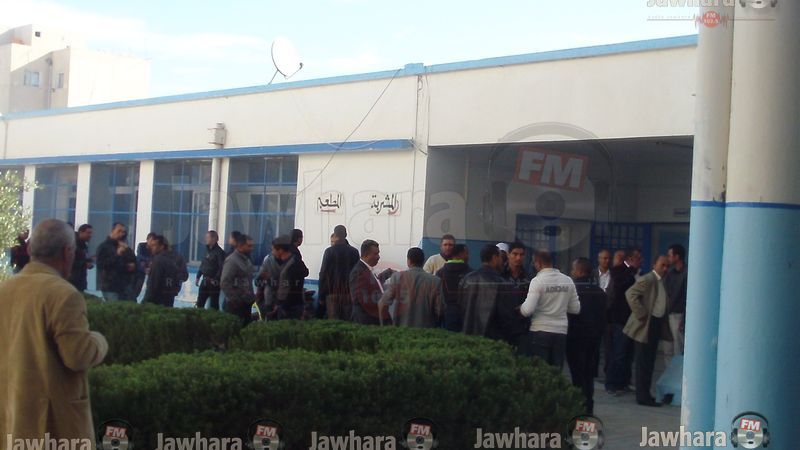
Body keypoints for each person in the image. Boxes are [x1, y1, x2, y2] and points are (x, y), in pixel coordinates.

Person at [0, 219, 108, 442]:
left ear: (30, 249)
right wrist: (99, 341)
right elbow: (78, 355)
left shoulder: (5, 289)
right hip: (50, 423)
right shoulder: (63, 294)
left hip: (10, 413)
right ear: (67, 252)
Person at [624, 255, 672, 407]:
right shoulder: (649, 279)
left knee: (649, 361)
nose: (665, 268)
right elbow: (631, 294)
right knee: (643, 362)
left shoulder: (661, 281)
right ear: (654, 265)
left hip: (655, 324)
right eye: (662, 265)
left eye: (667, 266)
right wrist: (641, 313)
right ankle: (642, 396)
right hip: (646, 324)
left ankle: (645, 393)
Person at [520, 250, 581, 369]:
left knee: (540, 372)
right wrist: (561, 305)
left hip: (539, 331)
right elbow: (575, 309)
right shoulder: (568, 280)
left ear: (538, 263)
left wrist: (520, 309)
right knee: (556, 372)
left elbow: (527, 310)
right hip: (560, 332)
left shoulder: (537, 281)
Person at [567, 257, 607, 415]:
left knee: (577, 374)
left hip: (575, 338)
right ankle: (588, 406)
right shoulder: (600, 292)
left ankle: (577, 406)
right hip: (593, 339)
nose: (571, 272)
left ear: (579, 271)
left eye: (573, 269)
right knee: (589, 374)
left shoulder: (572, 289)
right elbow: (603, 317)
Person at [604, 247, 642, 395]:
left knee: (628, 353)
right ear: (630, 259)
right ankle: (613, 383)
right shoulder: (619, 271)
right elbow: (620, 288)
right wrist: (630, 270)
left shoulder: (638, 273)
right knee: (618, 352)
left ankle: (624, 381)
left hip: (631, 318)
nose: (640, 261)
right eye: (638, 258)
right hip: (619, 317)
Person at [378, 247, 444, 328]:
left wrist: (385, 325)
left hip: (401, 330)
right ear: (423, 261)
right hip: (426, 331)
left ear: (408, 261)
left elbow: (382, 304)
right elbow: (440, 309)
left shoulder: (398, 277)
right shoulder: (436, 281)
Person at [459, 244, 507, 340]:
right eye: (500, 257)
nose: (502, 260)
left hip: (468, 333)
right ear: (494, 258)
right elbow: (504, 314)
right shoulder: (500, 282)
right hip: (491, 336)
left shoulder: (467, 278)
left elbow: (460, 305)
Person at [257, 235, 309, 320]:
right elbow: (258, 281)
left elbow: (304, 274)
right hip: (271, 300)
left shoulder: (294, 262)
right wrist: (263, 279)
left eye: (273, 249)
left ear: (280, 250)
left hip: (289, 303)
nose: (272, 252)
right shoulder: (269, 261)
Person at [318, 225, 360, 320]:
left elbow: (323, 274)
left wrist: (321, 295)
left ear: (335, 235)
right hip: (348, 293)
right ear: (346, 235)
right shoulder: (354, 252)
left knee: (334, 321)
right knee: (348, 321)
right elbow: (357, 275)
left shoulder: (329, 251)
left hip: (332, 293)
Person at [500, 242, 533, 353]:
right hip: (502, 326)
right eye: (515, 254)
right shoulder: (499, 275)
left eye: (521, 255)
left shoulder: (528, 277)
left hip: (522, 327)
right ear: (508, 254)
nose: (518, 258)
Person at [349, 239, 388, 325]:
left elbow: (373, 284)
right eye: (376, 254)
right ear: (366, 255)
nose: (378, 257)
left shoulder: (368, 269)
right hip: (366, 321)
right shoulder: (358, 272)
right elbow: (358, 299)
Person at [96, 223, 136, 301]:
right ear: (112, 231)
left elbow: (133, 261)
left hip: (125, 285)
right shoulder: (104, 247)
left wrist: (132, 265)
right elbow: (101, 265)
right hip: (110, 286)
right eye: (119, 231)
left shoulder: (125, 247)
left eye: (123, 232)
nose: (122, 234)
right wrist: (117, 255)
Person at [221, 234, 256, 324]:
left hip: (246, 303)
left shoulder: (247, 260)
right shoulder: (232, 261)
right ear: (241, 246)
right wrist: (235, 300)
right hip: (235, 305)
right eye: (249, 246)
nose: (251, 248)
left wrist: (251, 297)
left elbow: (249, 281)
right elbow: (225, 283)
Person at [436, 244, 471, 331]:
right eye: (466, 253)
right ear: (461, 254)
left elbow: (437, 296)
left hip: (446, 314)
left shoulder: (440, 273)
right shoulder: (471, 273)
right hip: (467, 314)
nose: (468, 256)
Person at [141, 235, 180, 307]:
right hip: (169, 299)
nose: (152, 247)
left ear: (161, 246)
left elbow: (153, 284)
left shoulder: (158, 260)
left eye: (154, 245)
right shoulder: (173, 260)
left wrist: (145, 301)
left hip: (156, 301)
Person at [664, 244, 687, 358]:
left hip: (679, 314)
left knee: (678, 347)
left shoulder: (687, 273)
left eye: (670, 255)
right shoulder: (670, 274)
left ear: (677, 257)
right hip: (669, 313)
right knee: (668, 349)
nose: (668, 258)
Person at [196, 230, 226, 310]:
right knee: (200, 302)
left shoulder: (219, 252)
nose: (206, 239)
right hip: (204, 280)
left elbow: (222, 267)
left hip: (213, 282)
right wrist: (198, 276)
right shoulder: (206, 250)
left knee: (214, 304)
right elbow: (203, 264)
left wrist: (215, 279)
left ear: (214, 239)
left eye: (208, 237)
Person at [68, 224, 93, 292]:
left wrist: (89, 261)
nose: (90, 235)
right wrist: (84, 264)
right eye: (88, 233)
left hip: (81, 280)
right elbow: (70, 261)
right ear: (81, 232)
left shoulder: (84, 246)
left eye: (91, 233)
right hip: (72, 280)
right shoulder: (73, 244)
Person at [132, 232, 156, 300]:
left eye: (153, 241)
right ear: (147, 239)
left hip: (143, 272)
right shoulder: (141, 245)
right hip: (136, 270)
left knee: (137, 290)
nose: (151, 242)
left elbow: (154, 260)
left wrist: (148, 262)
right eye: (151, 240)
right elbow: (139, 257)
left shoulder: (153, 249)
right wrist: (148, 261)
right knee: (132, 288)